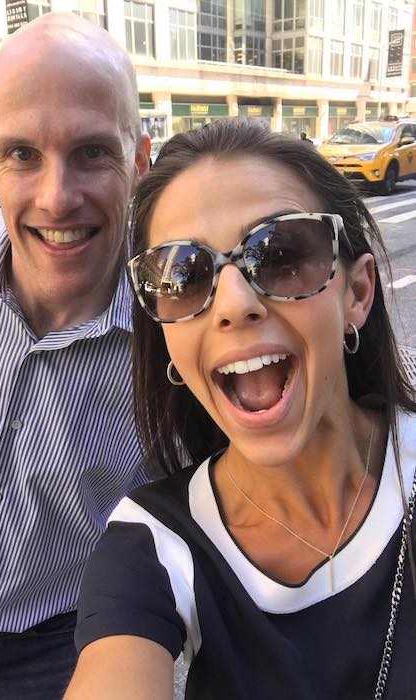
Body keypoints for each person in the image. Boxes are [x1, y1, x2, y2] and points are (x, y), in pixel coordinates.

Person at [65, 119, 416, 699]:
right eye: (183, 273)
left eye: (280, 254)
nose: (233, 303)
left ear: (357, 294)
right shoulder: (153, 543)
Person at [0, 12, 150, 699]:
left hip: (57, 656)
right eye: (23, 155)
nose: (56, 198)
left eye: (91, 153)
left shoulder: (183, 333)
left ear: (139, 159)